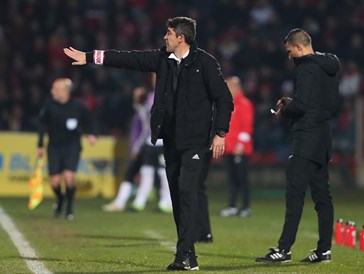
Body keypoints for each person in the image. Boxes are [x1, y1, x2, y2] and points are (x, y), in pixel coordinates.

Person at [63, 16, 233, 270]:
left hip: (196, 142)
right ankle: (189, 254)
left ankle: (184, 254)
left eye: (169, 33)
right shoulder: (162, 59)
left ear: (181, 38)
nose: (165, 37)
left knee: (187, 193)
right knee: (177, 195)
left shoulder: (205, 63)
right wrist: (89, 57)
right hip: (171, 139)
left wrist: (220, 132)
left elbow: (225, 99)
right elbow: (128, 58)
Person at [256, 28, 339, 263]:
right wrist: (296, 103)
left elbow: (302, 106)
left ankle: (284, 249)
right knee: (323, 197)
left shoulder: (305, 67)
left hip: (306, 138)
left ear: (299, 48)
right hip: (323, 138)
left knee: (294, 193)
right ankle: (324, 250)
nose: (289, 56)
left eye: (290, 51)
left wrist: (286, 108)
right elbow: (327, 102)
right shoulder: (330, 66)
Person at [37, 78, 97, 220]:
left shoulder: (78, 106)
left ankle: (69, 208)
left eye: (55, 89)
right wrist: (40, 144)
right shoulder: (49, 105)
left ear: (65, 91)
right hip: (54, 147)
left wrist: (91, 134)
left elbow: (89, 120)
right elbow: (42, 124)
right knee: (55, 182)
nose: (52, 91)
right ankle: (60, 199)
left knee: (69, 178)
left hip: (72, 146)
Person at [220, 76, 254, 218]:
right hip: (229, 148)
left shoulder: (244, 103)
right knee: (232, 179)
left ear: (236, 87)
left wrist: (240, 145)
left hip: (240, 150)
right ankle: (233, 206)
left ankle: (245, 207)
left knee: (242, 178)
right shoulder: (230, 103)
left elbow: (247, 127)